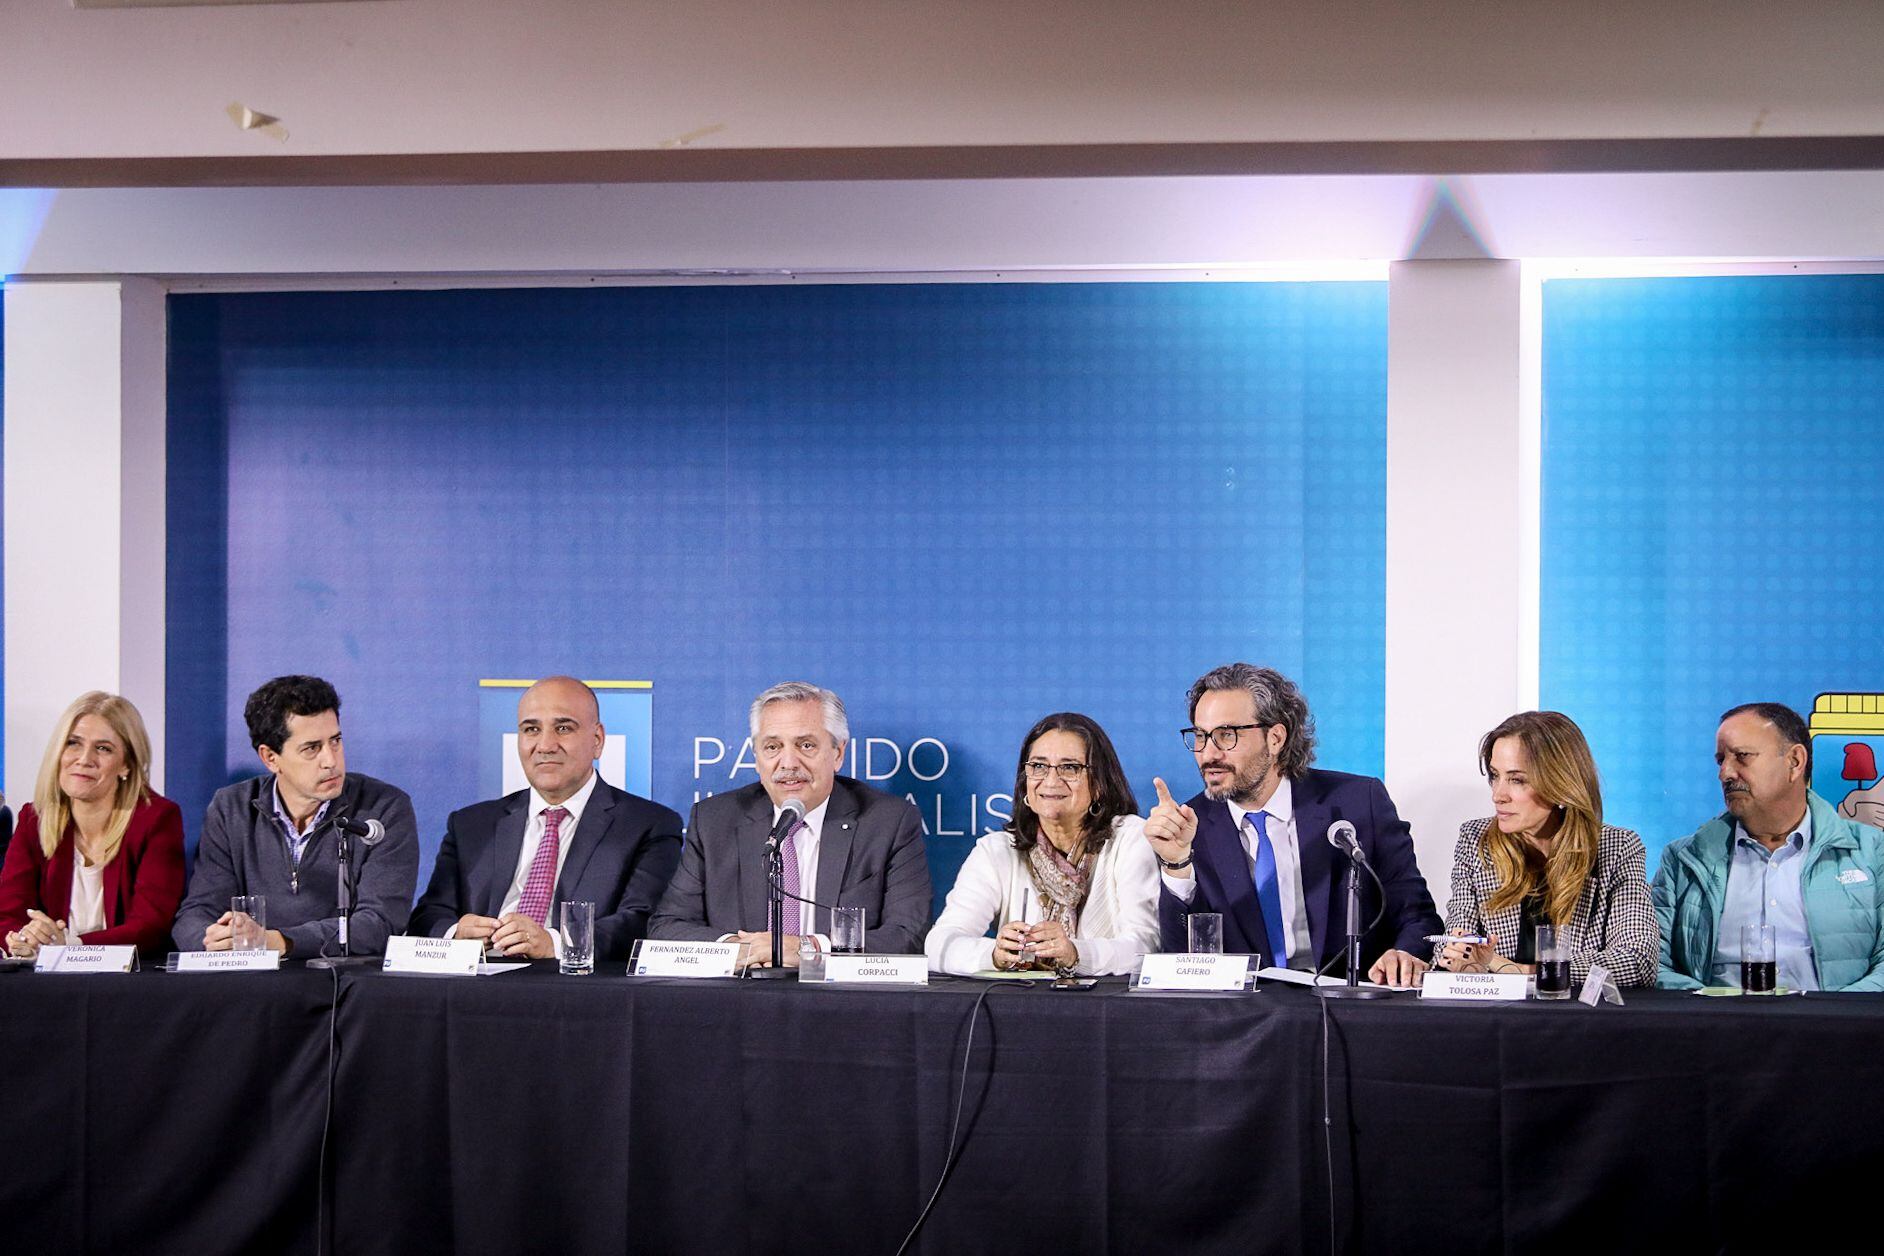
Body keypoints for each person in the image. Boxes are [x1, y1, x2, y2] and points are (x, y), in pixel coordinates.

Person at [1145, 663, 1440, 985]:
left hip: (1349, 1009)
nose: (1207, 753)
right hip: (1245, 1017)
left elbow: (1416, 915)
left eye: (1226, 736)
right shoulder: (1187, 825)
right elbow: (1180, 959)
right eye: (1200, 736)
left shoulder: (1358, 802)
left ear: (1275, 738)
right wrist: (1176, 865)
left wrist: (1406, 952)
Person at [650, 681, 931, 967]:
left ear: (837, 753)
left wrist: (806, 949)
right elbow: (667, 927)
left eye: (805, 745)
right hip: (738, 1000)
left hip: (843, 1002)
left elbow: (907, 935)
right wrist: (737, 948)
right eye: (772, 747)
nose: (788, 763)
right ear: (756, 758)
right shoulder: (714, 821)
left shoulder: (888, 822)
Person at [409, 676, 682, 960]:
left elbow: (642, 922)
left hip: (575, 989)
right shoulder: (470, 825)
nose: (545, 745)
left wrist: (556, 943)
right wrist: (457, 934)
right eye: (531, 729)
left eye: (563, 728)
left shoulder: (649, 825)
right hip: (478, 983)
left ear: (597, 741)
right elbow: (428, 917)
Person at [173, 675, 418, 957]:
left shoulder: (384, 808)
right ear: (270, 758)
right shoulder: (231, 808)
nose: (331, 761)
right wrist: (215, 937)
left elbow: (379, 924)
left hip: (342, 988)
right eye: (312, 748)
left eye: (335, 741)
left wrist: (277, 942)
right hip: (251, 985)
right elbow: (196, 912)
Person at [1653, 702, 1884, 991]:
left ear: (1795, 762)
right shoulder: (1683, 859)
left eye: (1741, 756)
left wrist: (1831, 1017)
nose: (1725, 773)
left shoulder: (1873, 852)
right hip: (1717, 1029)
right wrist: (1712, 1008)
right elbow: (1654, 964)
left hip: (1835, 1030)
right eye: (1721, 760)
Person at [1432, 711, 1657, 987]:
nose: (1497, 795)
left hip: (1580, 1022)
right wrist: (1459, 957)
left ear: (1561, 784)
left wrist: (1519, 971)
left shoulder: (1617, 848)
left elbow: (1637, 962)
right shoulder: (1476, 840)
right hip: (1496, 1021)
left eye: (1517, 780)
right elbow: (1451, 945)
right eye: (1494, 776)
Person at [926, 713, 1158, 976]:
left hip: (1111, 1009)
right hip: (1019, 1008)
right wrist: (993, 955)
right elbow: (938, 945)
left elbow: (1146, 947)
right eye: (1038, 766)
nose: (1050, 780)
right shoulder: (997, 850)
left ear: (1099, 784)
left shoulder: (1129, 839)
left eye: (1069, 767)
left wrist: (1076, 953)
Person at [0, 692, 185, 957]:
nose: (84, 759)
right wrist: (24, 938)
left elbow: (150, 926)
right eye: (73, 743)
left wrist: (70, 947)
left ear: (126, 766)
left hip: (127, 984)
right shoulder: (34, 819)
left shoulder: (157, 819)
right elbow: (7, 914)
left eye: (103, 748)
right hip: (46, 983)